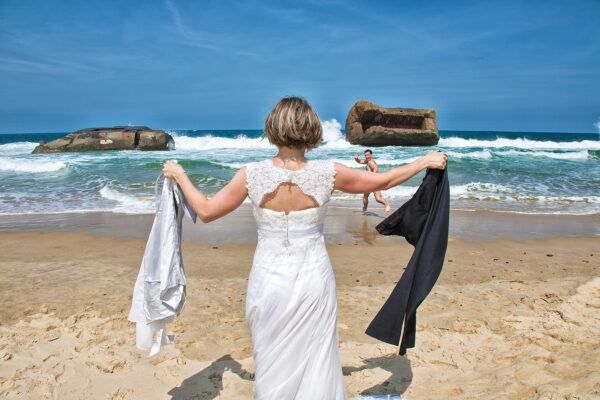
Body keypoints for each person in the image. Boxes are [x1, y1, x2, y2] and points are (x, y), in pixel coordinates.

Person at [162, 96, 446, 399]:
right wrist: (423, 161)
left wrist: (179, 175)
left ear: (272, 127)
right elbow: (383, 182)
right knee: (317, 357)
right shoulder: (328, 172)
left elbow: (205, 211)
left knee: (270, 355)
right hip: (313, 278)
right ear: (312, 128)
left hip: (267, 280)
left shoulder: (251, 174)